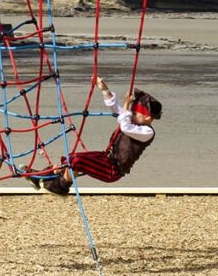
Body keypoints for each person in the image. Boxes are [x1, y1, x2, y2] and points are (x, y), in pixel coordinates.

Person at [26, 77, 162, 195]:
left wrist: (127, 103)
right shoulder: (130, 119)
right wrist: (104, 89)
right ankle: (43, 176)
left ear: (148, 117)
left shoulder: (147, 132)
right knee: (71, 158)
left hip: (113, 170)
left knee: (77, 161)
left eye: (134, 113)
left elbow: (125, 127)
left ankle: (60, 187)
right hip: (105, 158)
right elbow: (117, 109)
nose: (130, 115)